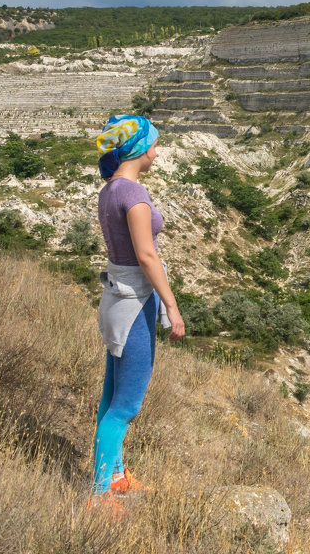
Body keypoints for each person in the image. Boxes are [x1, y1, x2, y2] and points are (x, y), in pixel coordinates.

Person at [88, 114, 185, 512]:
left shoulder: (109, 190)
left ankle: (116, 476)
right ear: (141, 149)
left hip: (115, 299)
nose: (157, 152)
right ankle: (98, 494)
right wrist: (173, 307)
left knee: (111, 395)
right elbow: (147, 256)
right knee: (125, 406)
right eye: (155, 145)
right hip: (135, 304)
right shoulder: (135, 197)